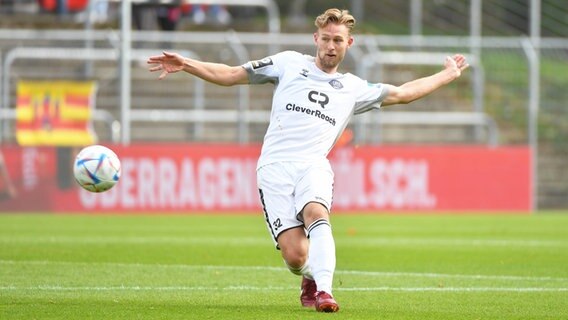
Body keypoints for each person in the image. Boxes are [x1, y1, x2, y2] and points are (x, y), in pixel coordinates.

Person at [147, 8, 469, 313]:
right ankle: (309, 273)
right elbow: (232, 74)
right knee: (296, 255)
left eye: (338, 40)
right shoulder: (287, 64)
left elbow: (403, 92)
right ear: (316, 38)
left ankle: (325, 292)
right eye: (326, 38)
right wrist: (186, 63)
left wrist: (447, 74)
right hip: (274, 168)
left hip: (313, 164)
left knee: (317, 213)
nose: (331, 46)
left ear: (348, 44)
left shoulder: (353, 88)